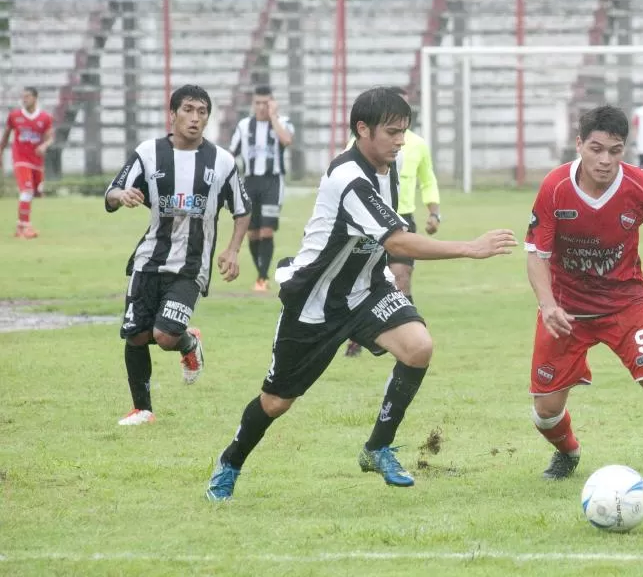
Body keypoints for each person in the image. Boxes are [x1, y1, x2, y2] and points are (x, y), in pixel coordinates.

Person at [205, 87, 516, 501]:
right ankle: (230, 462)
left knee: (418, 347)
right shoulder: (349, 178)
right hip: (315, 302)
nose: (400, 141)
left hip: (368, 289)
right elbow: (398, 242)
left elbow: (390, 237)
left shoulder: (391, 163)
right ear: (362, 129)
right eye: (392, 132)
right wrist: (470, 248)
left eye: (404, 131)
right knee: (277, 402)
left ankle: (377, 447)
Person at [524, 105, 643, 481]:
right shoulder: (555, 188)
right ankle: (568, 452)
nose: (605, 160)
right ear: (579, 144)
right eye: (596, 149)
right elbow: (536, 256)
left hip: (624, 305)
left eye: (615, 151)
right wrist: (547, 305)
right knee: (545, 411)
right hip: (566, 313)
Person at [105, 84, 251, 426]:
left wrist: (232, 249)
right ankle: (142, 409)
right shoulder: (148, 153)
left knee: (165, 335)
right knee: (136, 335)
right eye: (188, 110)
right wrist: (122, 195)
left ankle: (186, 341)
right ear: (173, 114)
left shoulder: (223, 161)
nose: (195, 118)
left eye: (202, 112)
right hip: (149, 259)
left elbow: (242, 210)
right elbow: (112, 191)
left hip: (191, 266)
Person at [345, 86, 440, 358]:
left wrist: (434, 212)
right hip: (366, 220)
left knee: (401, 277)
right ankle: (361, 330)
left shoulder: (418, 144)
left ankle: (402, 328)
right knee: (361, 279)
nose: (398, 136)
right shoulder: (360, 147)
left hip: (402, 218)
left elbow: (428, 179)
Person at [228, 85, 295, 292]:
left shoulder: (283, 123)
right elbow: (231, 153)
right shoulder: (244, 126)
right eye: (257, 103)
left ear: (272, 103)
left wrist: (274, 117)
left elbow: (287, 140)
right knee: (253, 233)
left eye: (266, 103)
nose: (261, 107)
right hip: (250, 182)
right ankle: (261, 274)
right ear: (252, 104)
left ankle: (262, 278)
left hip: (272, 183)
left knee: (266, 231)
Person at [1, 86, 54, 238]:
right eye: (23, 97)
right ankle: (26, 227)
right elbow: (5, 135)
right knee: (27, 191)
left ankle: (19, 226)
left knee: (37, 193)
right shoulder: (14, 116)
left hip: (36, 161)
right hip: (20, 159)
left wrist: (44, 145)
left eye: (27, 97)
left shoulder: (45, 117)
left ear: (35, 98)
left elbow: (50, 137)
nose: (24, 99)